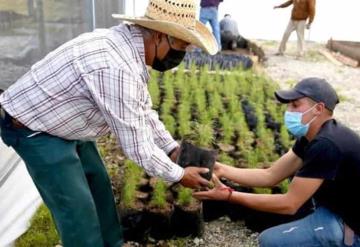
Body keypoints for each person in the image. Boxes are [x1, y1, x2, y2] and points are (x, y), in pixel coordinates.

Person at [0, 0, 218, 246]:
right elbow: (138, 148)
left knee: (101, 194)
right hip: (34, 129)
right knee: (78, 215)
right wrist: (179, 175)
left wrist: (171, 149)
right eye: (181, 45)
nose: (182, 53)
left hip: (67, 124)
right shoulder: (115, 65)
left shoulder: (129, 50)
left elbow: (142, 110)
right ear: (160, 36)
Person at [194, 78, 360, 246]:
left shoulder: (326, 145)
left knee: (270, 241)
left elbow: (290, 204)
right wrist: (222, 169)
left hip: (350, 223)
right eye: (288, 106)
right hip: (336, 207)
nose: (288, 111)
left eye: (295, 105)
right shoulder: (311, 137)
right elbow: (270, 175)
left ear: (318, 109)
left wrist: (229, 196)